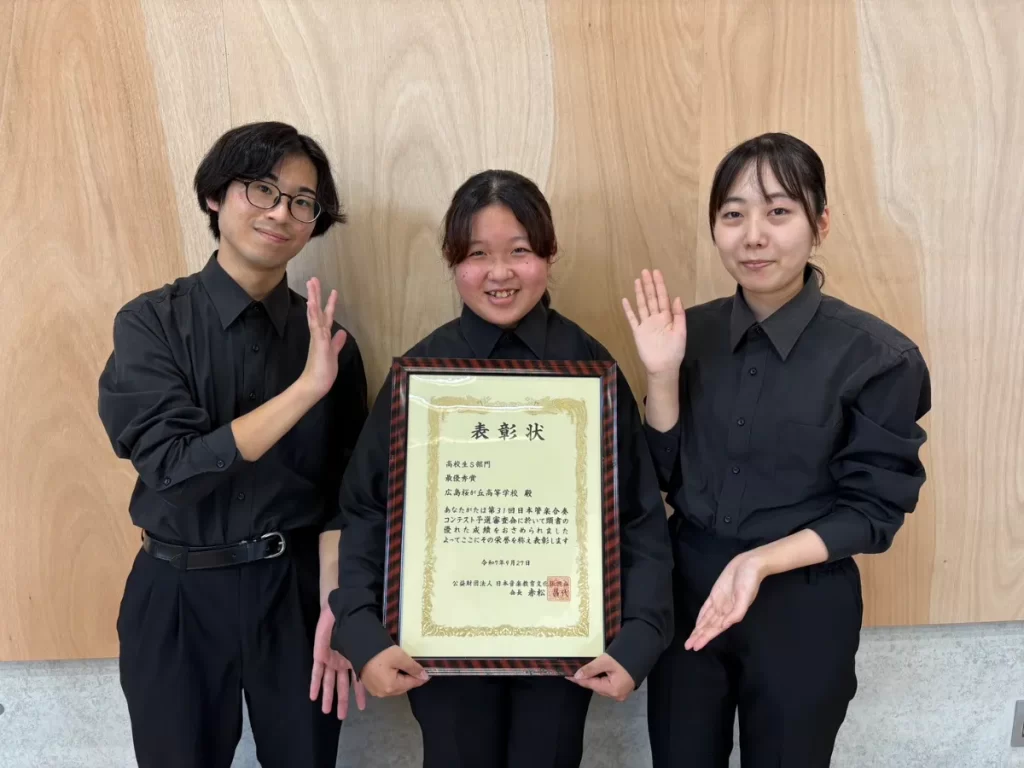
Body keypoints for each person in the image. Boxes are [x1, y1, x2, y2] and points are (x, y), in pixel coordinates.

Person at [328, 169, 674, 767]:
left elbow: (638, 512)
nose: (499, 273)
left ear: (549, 254)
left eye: (519, 251)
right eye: (477, 254)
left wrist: (640, 636)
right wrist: (361, 632)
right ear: (452, 261)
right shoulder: (423, 372)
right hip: (440, 655)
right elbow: (366, 507)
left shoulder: (589, 368)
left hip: (565, 650)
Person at [624, 132, 932, 767]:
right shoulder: (686, 333)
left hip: (805, 601)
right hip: (689, 590)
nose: (753, 236)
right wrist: (661, 374)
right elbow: (658, 475)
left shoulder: (878, 356)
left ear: (820, 223)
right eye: (733, 214)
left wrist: (760, 562)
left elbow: (874, 511)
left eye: (779, 211)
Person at [97, 121, 369, 768]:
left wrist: (339, 607)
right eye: (262, 190)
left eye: (302, 201)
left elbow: (347, 496)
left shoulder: (329, 343)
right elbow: (173, 467)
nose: (281, 213)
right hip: (177, 590)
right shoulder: (151, 323)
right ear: (216, 195)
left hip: (295, 596)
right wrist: (305, 390)